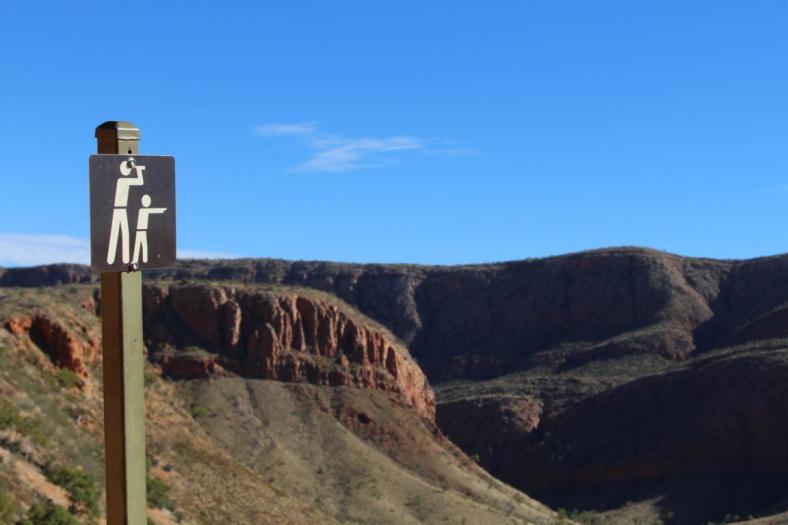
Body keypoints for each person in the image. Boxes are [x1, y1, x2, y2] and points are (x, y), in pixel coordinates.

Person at [106, 159, 145, 264]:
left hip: (121, 210)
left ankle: (121, 258)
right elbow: (139, 181)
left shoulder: (121, 181)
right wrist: (139, 170)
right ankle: (112, 258)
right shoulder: (122, 181)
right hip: (119, 209)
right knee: (118, 233)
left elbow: (139, 182)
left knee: (122, 232)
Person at [132, 194, 167, 264]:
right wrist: (161, 210)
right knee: (138, 245)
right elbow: (152, 210)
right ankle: (136, 259)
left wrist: (161, 210)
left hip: (143, 231)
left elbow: (152, 210)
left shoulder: (143, 210)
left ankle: (144, 259)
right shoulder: (142, 210)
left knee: (143, 245)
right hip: (139, 231)